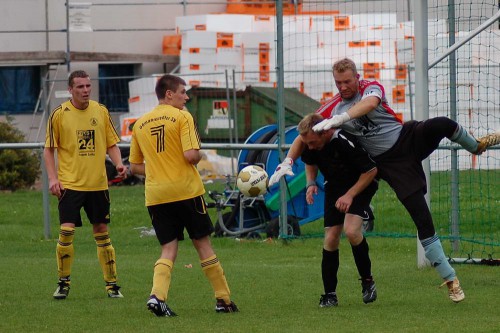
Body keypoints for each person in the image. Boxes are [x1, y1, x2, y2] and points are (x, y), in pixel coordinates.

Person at [270, 58, 499, 303]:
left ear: (356, 77)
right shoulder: (333, 108)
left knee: (442, 123)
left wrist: (342, 118)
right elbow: (304, 135)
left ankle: (476, 146)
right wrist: (288, 162)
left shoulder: (370, 87)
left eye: (347, 81)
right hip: (389, 164)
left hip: (405, 138)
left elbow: (369, 104)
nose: (343, 87)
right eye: (338, 82)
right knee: (420, 215)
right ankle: (451, 279)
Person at [129, 74, 238, 317]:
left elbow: (135, 167)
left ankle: (157, 296)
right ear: (169, 94)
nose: (186, 97)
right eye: (182, 92)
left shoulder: (140, 123)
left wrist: (158, 169)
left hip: (157, 195)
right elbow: (190, 156)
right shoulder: (182, 116)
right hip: (186, 191)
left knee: (168, 248)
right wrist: (201, 155)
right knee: (203, 244)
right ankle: (223, 299)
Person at [44, 70, 127, 300]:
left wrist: (119, 164)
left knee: (102, 233)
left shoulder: (100, 111)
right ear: (70, 89)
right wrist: (53, 179)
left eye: (88, 86)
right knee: (66, 231)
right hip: (70, 184)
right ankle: (63, 283)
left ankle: (112, 285)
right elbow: (48, 150)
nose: (85, 90)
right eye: (80, 87)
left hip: (98, 185)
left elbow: (112, 144)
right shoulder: (59, 115)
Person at [298, 113, 378, 307]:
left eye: (312, 142)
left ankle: (368, 282)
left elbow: (371, 171)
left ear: (325, 132)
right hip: (334, 187)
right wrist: (310, 184)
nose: (310, 147)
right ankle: (329, 295)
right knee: (331, 237)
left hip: (361, 185)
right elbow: (310, 162)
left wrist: (350, 195)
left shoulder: (344, 141)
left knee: (351, 231)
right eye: (306, 143)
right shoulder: (312, 143)